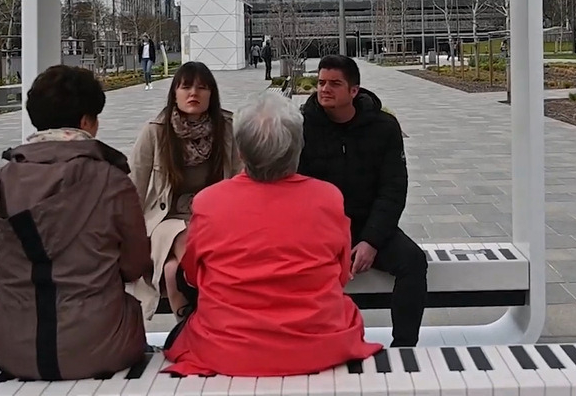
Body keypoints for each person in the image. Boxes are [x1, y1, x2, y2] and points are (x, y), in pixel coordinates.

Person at [163, 91, 381, 377]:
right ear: (297, 149)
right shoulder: (328, 198)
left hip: (228, 349)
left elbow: (193, 275)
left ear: (240, 152)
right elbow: (341, 275)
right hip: (319, 345)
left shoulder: (208, 202)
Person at [0, 65, 150, 380]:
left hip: (10, 348)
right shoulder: (111, 179)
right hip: (101, 345)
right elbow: (134, 264)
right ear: (87, 121)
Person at [298, 54, 427, 347]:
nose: (324, 89)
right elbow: (295, 190)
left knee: (413, 262)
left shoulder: (383, 128)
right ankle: (309, 344)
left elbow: (393, 189)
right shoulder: (302, 127)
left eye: (334, 84)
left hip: (369, 225)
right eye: (320, 83)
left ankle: (405, 347)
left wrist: (371, 240)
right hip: (320, 231)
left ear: (354, 91)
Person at [129, 61, 240, 320]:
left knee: (171, 271)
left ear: (211, 94)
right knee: (184, 234)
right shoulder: (155, 131)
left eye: (202, 88)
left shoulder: (227, 128)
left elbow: (239, 177)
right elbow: (134, 185)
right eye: (186, 87)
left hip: (214, 217)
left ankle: (187, 324)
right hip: (167, 219)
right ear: (174, 93)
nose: (194, 93)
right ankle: (212, 310)